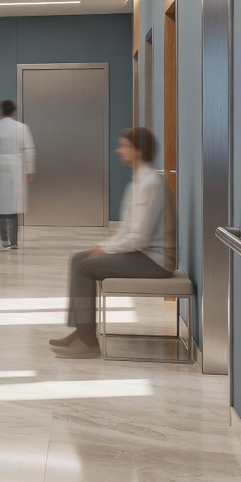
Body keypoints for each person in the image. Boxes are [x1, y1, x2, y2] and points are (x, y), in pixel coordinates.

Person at [52, 127, 172, 359]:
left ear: (137, 151)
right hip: (142, 254)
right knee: (78, 258)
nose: (119, 150)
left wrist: (106, 249)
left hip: (154, 261)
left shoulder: (150, 183)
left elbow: (139, 237)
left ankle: (88, 340)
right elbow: (127, 230)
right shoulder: (138, 181)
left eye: (124, 146)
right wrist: (102, 246)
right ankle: (81, 331)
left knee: (83, 267)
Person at [0, 99, 36, 250]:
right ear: (14, 111)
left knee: (1, 204)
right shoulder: (22, 128)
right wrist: (30, 169)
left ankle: (4, 240)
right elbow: (29, 150)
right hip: (16, 167)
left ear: (0, 111)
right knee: (14, 204)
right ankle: (14, 241)